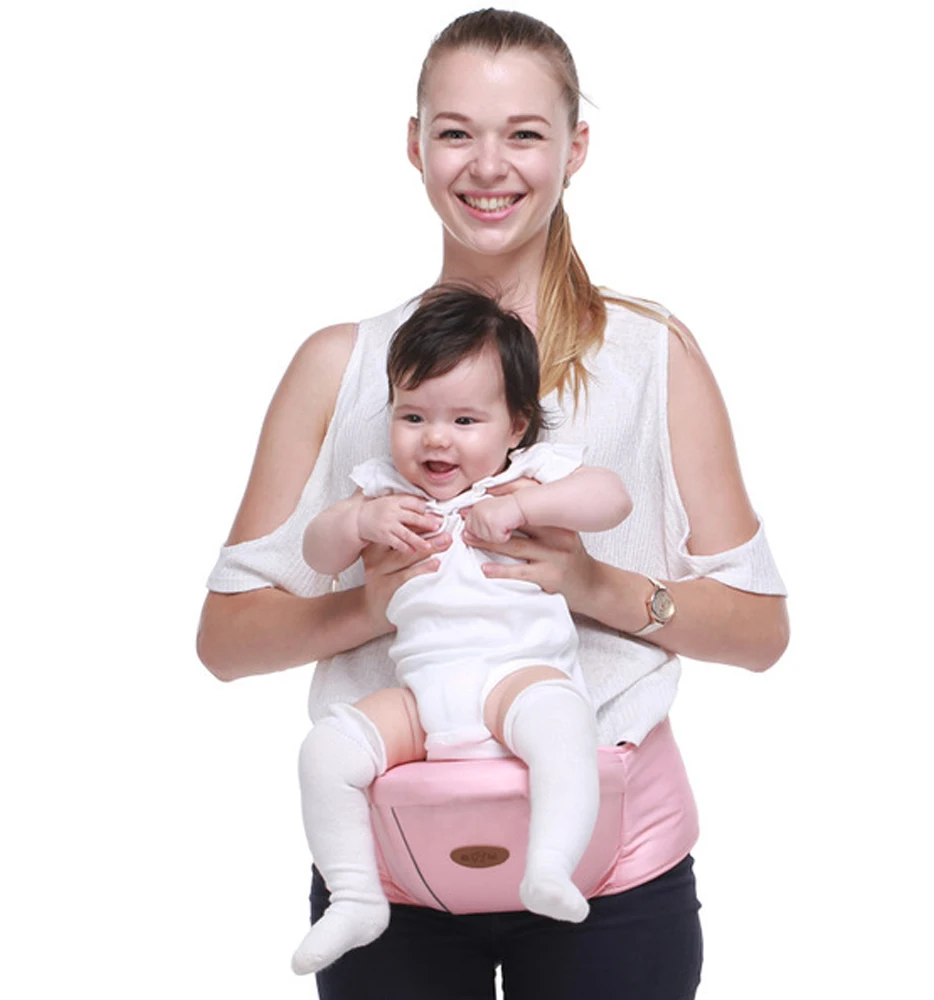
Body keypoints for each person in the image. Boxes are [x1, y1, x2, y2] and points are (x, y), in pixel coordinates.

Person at [198, 8, 789, 998]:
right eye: (455, 131)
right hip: (398, 861)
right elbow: (225, 641)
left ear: (575, 148)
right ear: (413, 144)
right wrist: (374, 605)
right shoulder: (340, 366)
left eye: (523, 133)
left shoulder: (653, 357)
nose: (487, 166)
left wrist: (590, 584)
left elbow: (761, 633)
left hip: (615, 866)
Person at [293, 285, 632, 974]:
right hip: (421, 698)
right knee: (325, 752)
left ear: (515, 428)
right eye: (413, 415)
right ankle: (355, 897)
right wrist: (358, 521)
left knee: (564, 726)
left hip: (518, 678)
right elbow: (317, 552)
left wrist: (528, 508)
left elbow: (612, 498)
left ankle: (550, 866)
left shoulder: (525, 477)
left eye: (466, 419)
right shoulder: (384, 490)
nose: (436, 438)